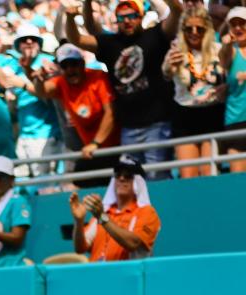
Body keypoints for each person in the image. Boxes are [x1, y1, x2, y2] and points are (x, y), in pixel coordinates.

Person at [67, 0, 183, 178]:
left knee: (157, 178)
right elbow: (77, 38)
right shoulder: (110, 43)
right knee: (132, 181)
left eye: (132, 16)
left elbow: (177, 10)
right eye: (122, 18)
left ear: (140, 17)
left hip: (157, 125)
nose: (127, 21)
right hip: (128, 128)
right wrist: (71, 15)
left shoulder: (156, 35)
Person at [26, 44, 121, 186]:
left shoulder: (98, 77)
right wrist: (39, 80)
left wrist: (96, 143)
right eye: (65, 66)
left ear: (82, 63)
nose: (70, 69)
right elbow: (42, 91)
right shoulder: (61, 83)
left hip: (116, 149)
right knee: (71, 188)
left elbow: (111, 113)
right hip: (92, 152)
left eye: (74, 64)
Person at [0, 23, 64, 177]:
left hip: (45, 136)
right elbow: (5, 81)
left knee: (44, 184)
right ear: (18, 45)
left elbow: (49, 94)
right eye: (24, 40)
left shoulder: (48, 62)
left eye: (33, 39)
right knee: (19, 183)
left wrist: (22, 84)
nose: (29, 42)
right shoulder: (17, 65)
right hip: (25, 135)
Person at [162, 7, 227, 178]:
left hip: (213, 114)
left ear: (207, 29)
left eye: (199, 28)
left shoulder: (218, 49)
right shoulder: (176, 52)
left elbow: (232, 75)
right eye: (188, 28)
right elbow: (166, 73)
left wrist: (226, 88)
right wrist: (169, 68)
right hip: (185, 116)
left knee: (209, 172)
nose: (194, 32)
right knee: (188, 174)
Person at [70, 155, 162, 261]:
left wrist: (102, 217)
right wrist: (79, 221)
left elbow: (133, 243)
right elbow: (80, 248)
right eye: (118, 175)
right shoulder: (104, 211)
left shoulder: (146, 212)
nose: (122, 178)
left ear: (138, 183)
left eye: (128, 176)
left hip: (126, 275)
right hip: (96, 274)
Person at [221, 7, 246, 173]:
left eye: (242, 23)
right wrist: (226, 45)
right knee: (238, 178)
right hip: (235, 121)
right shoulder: (229, 51)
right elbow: (224, 59)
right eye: (233, 24)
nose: (238, 28)